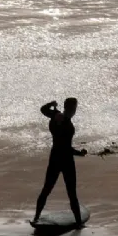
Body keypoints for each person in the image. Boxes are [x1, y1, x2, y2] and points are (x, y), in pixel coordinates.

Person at [32, 97, 87, 227]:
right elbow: (66, 148)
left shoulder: (56, 115)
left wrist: (52, 104)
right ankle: (78, 223)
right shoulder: (65, 122)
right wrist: (80, 153)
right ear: (70, 108)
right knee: (71, 193)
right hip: (66, 160)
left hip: (55, 158)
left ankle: (36, 217)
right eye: (74, 108)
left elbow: (43, 109)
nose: (74, 111)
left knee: (47, 189)